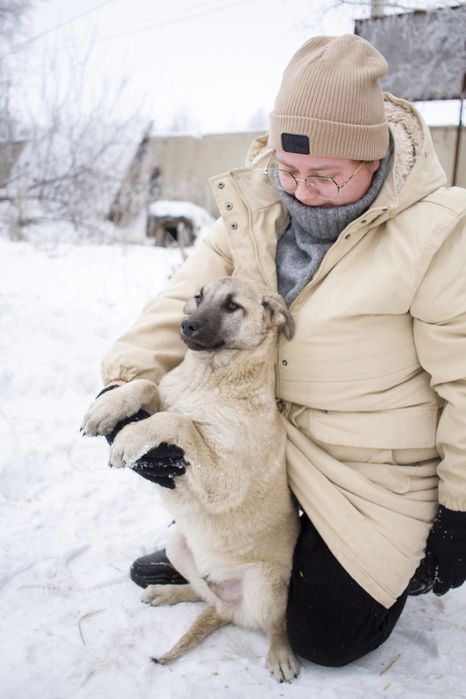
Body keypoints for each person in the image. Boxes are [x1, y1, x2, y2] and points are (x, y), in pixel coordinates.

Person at [94, 35, 466, 667]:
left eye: (325, 176)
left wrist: (460, 510)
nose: (301, 190)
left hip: (369, 475)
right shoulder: (256, 207)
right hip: (257, 458)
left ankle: (359, 560)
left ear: (374, 155)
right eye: (288, 171)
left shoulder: (438, 231)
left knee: (325, 638)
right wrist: (121, 387)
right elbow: (178, 303)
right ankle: (234, 549)